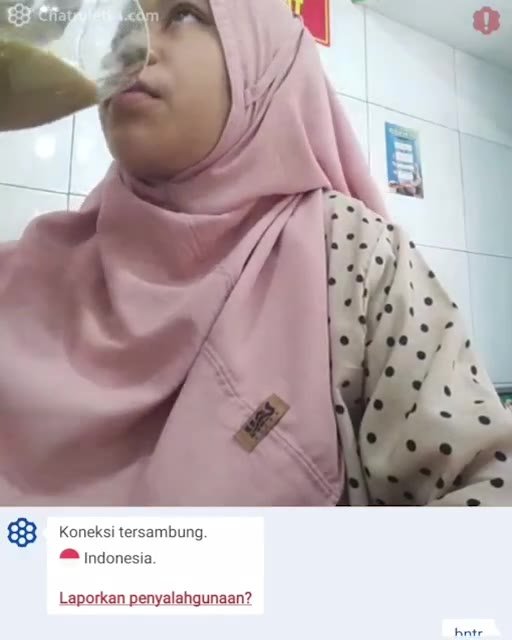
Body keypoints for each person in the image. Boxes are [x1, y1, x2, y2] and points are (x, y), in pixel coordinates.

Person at [0, 0, 511, 506]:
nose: (132, 45)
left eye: (184, 15)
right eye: (122, 28)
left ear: (264, 61)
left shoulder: (353, 256)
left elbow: (492, 487)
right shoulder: (23, 275)